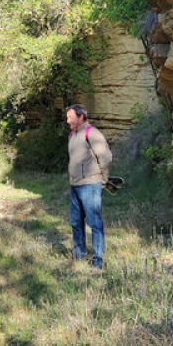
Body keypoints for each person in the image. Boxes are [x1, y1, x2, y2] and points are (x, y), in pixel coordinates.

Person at [65, 104, 112, 269]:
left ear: (81, 117)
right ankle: (79, 255)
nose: (67, 120)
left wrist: (104, 180)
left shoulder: (92, 133)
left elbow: (105, 157)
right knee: (75, 222)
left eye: (70, 117)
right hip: (75, 186)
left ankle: (98, 259)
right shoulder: (72, 134)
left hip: (91, 185)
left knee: (94, 222)